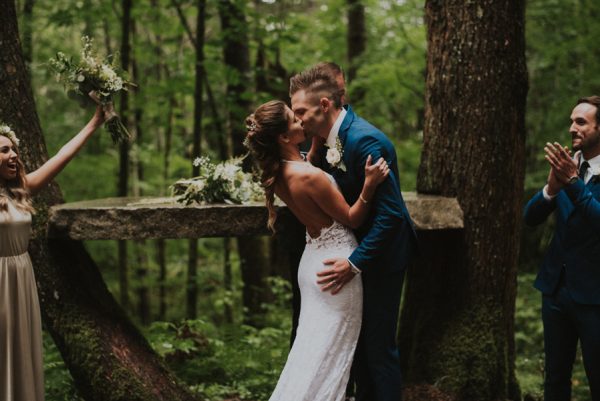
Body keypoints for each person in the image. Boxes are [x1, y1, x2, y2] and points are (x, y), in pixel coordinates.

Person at [244, 100, 390, 401]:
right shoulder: (308, 176)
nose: (300, 120)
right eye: (293, 119)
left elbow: (305, 178)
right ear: (284, 137)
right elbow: (351, 217)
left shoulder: (283, 171)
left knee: (310, 353)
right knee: (329, 357)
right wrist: (369, 186)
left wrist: (311, 153)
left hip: (312, 263)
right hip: (335, 267)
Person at [289, 66, 417, 401]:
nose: (297, 118)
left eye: (301, 111)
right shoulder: (328, 141)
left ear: (325, 105)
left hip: (381, 257)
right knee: (358, 348)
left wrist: (354, 263)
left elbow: (390, 217)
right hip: (355, 253)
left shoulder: (365, 141)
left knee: (378, 349)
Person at [0, 106, 104, 401]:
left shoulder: (21, 189)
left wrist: (94, 123)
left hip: (21, 276)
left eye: (14, 150)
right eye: (4, 150)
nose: (13, 156)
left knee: (19, 349)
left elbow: (61, 157)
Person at [524, 96, 600, 401]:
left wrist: (573, 182)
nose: (572, 128)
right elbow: (530, 218)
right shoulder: (568, 165)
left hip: (595, 296)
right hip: (556, 290)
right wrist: (550, 189)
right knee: (555, 379)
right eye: (571, 121)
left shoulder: (574, 173)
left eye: (581, 122)